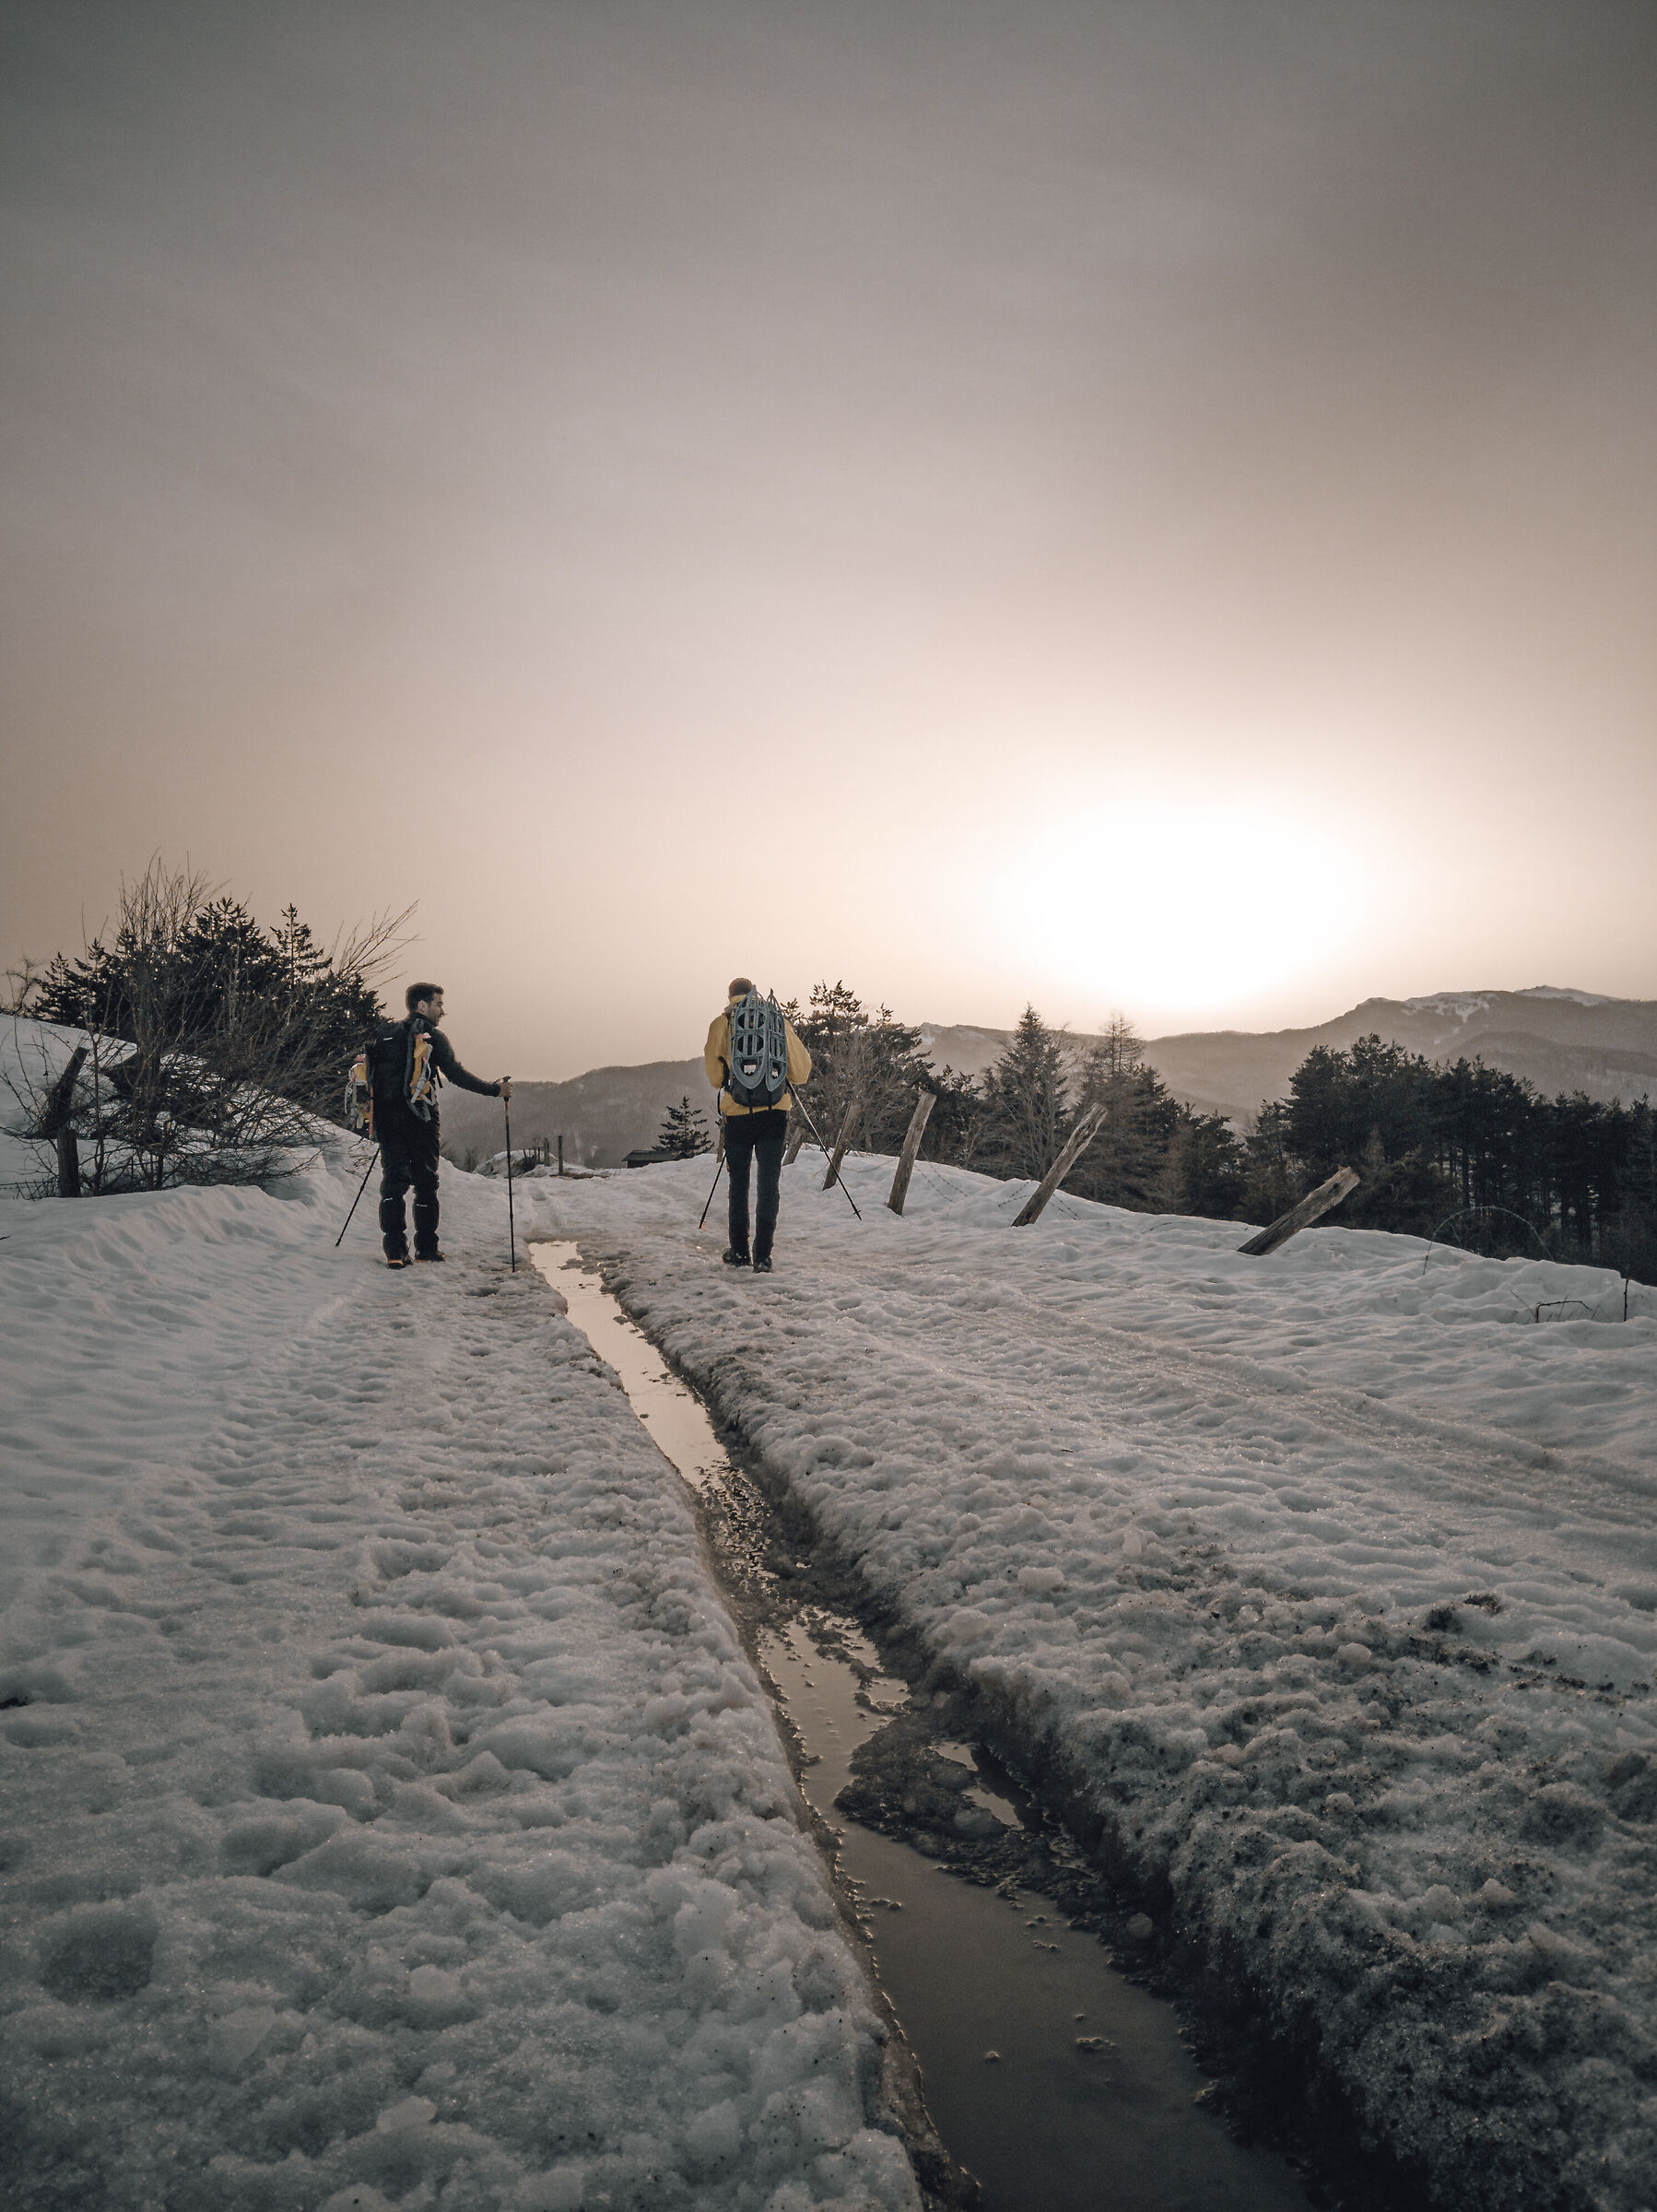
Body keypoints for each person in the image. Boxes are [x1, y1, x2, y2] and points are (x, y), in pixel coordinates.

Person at [375, 984, 511, 1267]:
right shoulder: (433, 1037)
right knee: (425, 1184)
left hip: (387, 1118)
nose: (442, 1010)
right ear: (422, 1006)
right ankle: (426, 1250)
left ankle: (395, 1252)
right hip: (421, 1118)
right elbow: (456, 1074)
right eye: (438, 1004)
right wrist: (494, 1090)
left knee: (393, 1183)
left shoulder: (386, 1035)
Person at [704, 977, 812, 1273]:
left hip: (737, 1115)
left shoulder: (722, 1023)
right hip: (774, 1114)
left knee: (738, 1185)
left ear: (730, 997)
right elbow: (801, 1072)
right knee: (768, 1185)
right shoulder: (777, 1021)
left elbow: (714, 1078)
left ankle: (739, 1252)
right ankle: (763, 1256)